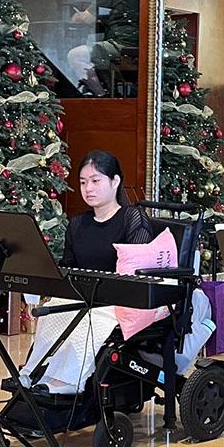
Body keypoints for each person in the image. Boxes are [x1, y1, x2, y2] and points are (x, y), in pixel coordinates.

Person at [19, 150, 152, 393]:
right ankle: (34, 372)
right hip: (83, 296)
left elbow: (137, 273)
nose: (88, 188)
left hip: (118, 300)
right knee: (54, 311)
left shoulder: (133, 218)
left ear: (115, 181)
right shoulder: (78, 223)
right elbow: (68, 268)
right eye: (83, 182)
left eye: (95, 180)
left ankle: (68, 382)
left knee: (89, 318)